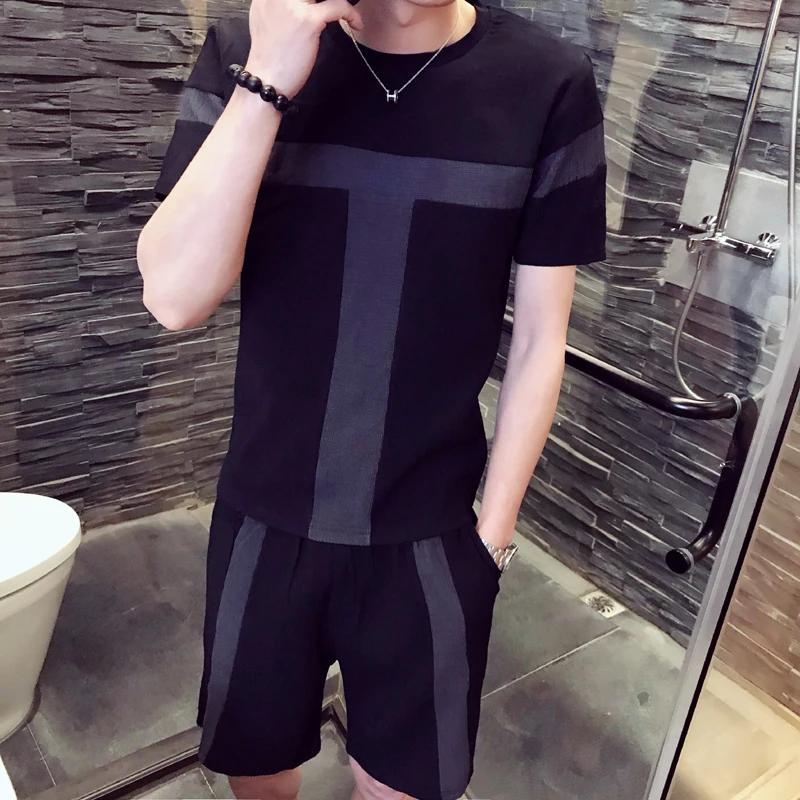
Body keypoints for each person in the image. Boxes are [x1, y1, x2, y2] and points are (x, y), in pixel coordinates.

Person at [137, 0, 606, 796]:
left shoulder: (548, 82)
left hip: (433, 533)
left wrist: (491, 542)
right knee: (258, 776)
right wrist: (269, 78)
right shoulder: (249, 45)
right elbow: (175, 298)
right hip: (264, 517)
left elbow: (538, 340)